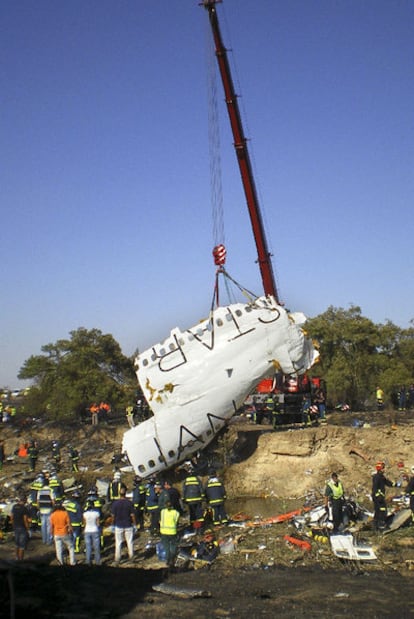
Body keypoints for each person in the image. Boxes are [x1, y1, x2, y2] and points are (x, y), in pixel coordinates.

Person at [372, 461, 401, 530]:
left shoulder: (381, 477)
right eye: (383, 468)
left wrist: (396, 484)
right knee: (382, 510)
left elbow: (388, 483)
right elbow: (375, 487)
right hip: (378, 497)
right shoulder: (376, 477)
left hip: (380, 497)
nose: (384, 470)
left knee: (378, 511)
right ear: (380, 469)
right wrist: (378, 495)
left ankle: (376, 525)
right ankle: (380, 525)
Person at [111, 485, 136, 564]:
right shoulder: (129, 503)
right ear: (125, 494)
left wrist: (112, 524)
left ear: (119, 494)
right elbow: (132, 515)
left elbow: (113, 516)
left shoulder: (115, 504)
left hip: (118, 525)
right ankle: (131, 556)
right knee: (129, 541)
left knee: (118, 542)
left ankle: (117, 558)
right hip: (128, 524)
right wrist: (134, 524)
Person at [50, 500, 76, 566]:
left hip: (56, 533)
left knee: (58, 549)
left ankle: (60, 563)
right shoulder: (65, 513)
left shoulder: (52, 515)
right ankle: (72, 562)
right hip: (64, 533)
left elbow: (51, 526)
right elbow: (69, 524)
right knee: (71, 547)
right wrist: (71, 530)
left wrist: (52, 534)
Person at [159, 501, 180, 567]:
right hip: (172, 531)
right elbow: (176, 522)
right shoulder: (176, 513)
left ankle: (168, 559)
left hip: (164, 531)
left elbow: (160, 520)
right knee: (173, 545)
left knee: (166, 546)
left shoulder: (163, 512)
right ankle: (172, 558)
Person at [11, 495, 30, 560]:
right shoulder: (24, 508)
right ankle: (20, 560)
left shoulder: (14, 506)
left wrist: (13, 525)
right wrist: (27, 528)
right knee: (22, 545)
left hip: (16, 527)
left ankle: (16, 558)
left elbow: (12, 517)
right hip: (22, 528)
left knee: (17, 544)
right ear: (24, 501)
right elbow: (25, 519)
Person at [83, 498, 101, 566]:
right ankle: (97, 562)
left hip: (87, 530)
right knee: (96, 547)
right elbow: (98, 523)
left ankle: (88, 561)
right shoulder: (97, 513)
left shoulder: (85, 514)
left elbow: (84, 523)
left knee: (88, 547)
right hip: (95, 530)